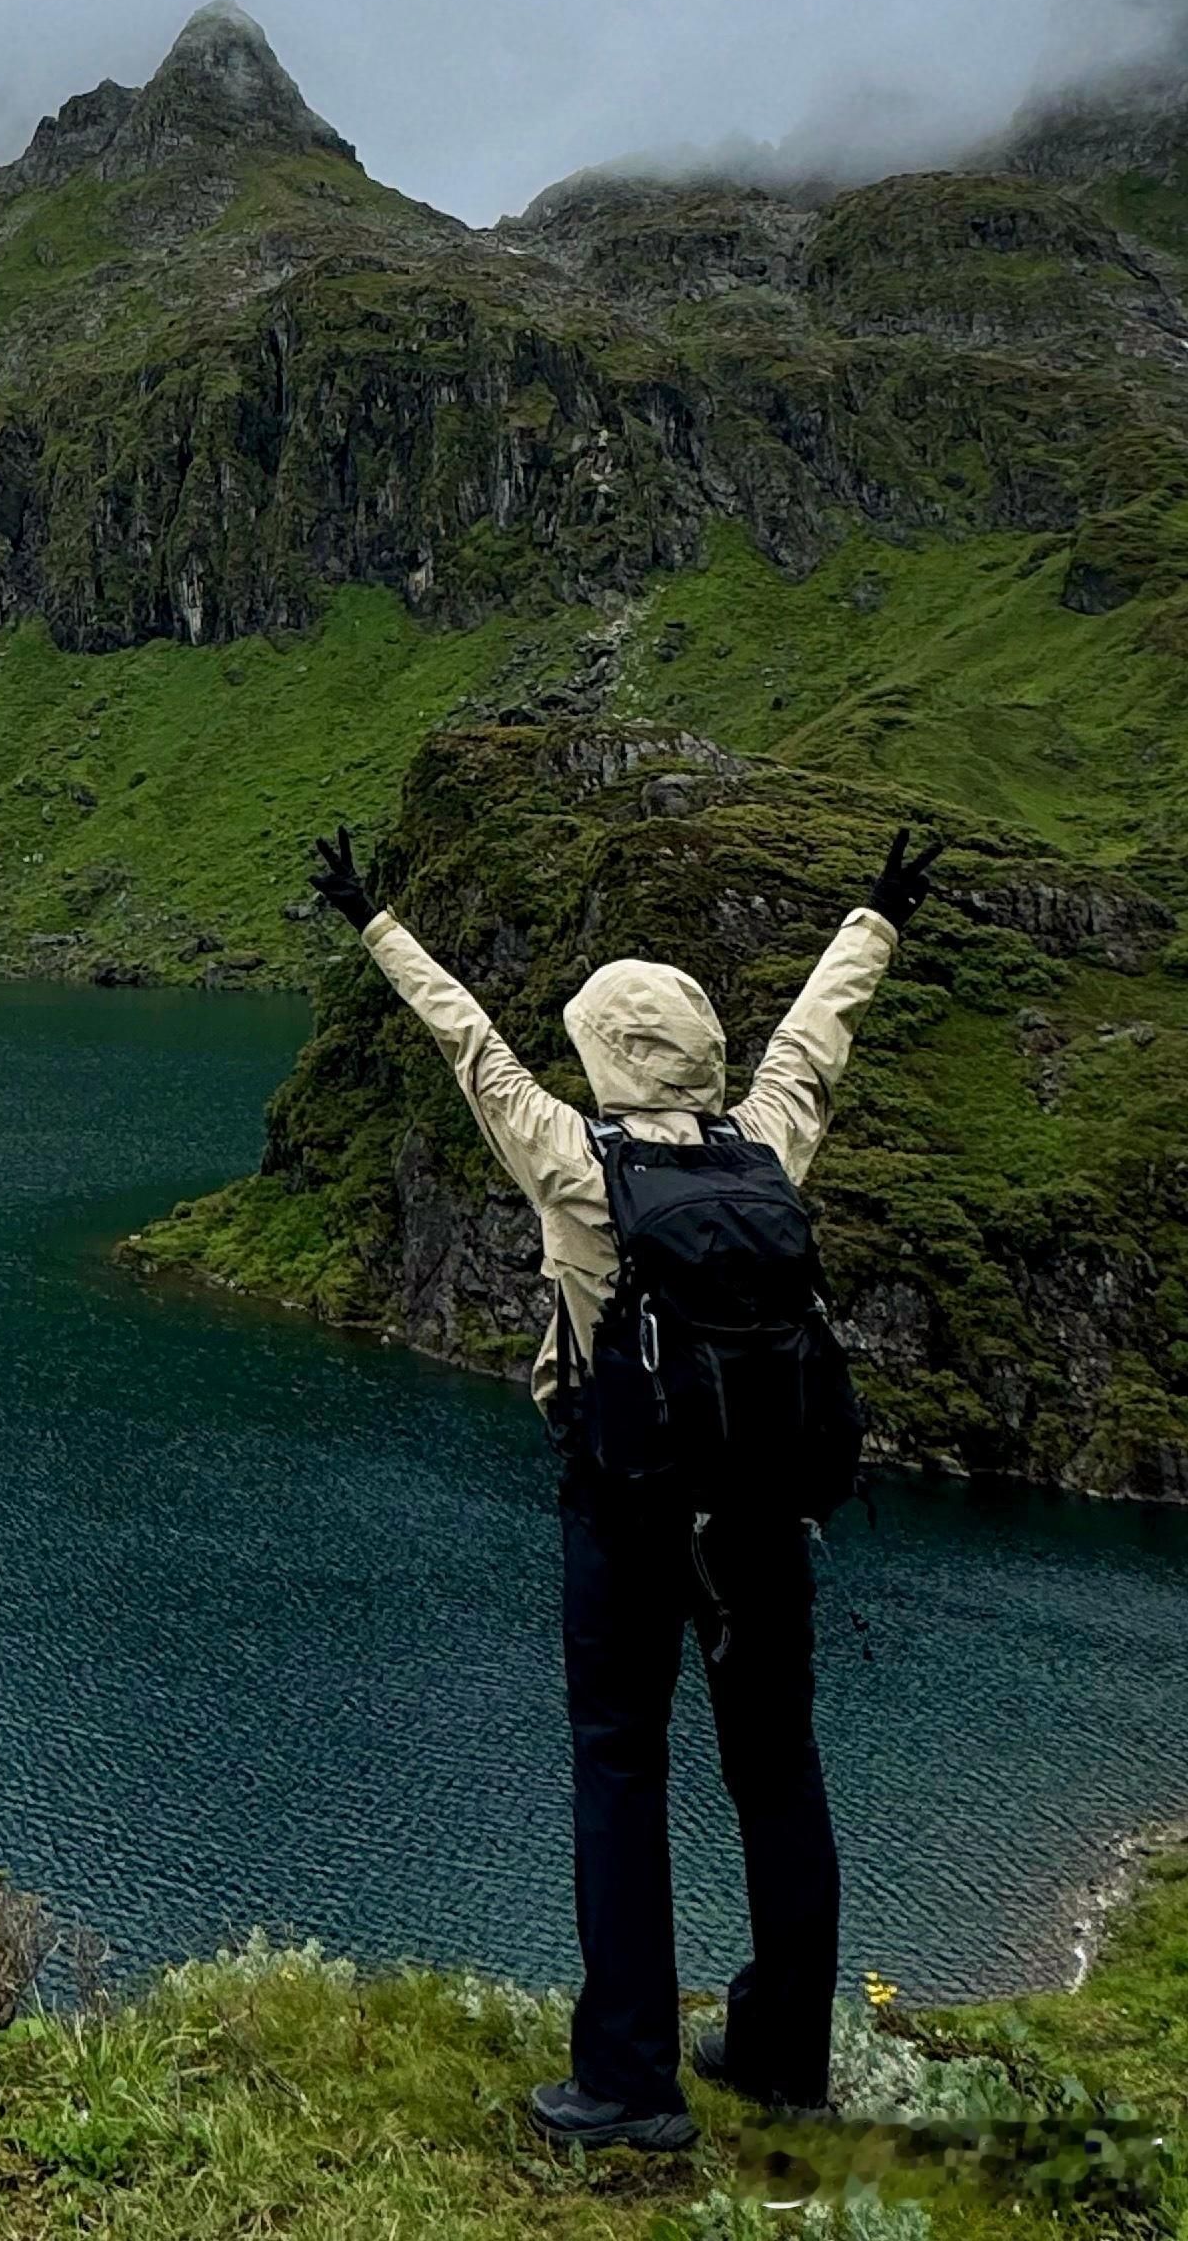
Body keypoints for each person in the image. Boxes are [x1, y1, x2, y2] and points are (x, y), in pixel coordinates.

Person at [308, 813, 940, 2155]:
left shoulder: (574, 1160)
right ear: (706, 1059)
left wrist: (373, 923)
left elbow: (465, 1040)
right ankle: (782, 2057)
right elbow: (818, 1039)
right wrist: (876, 916)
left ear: (604, 1059)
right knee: (778, 1770)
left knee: (620, 1764)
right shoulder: (764, 1148)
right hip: (765, 1516)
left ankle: (631, 2081)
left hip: (626, 1510)